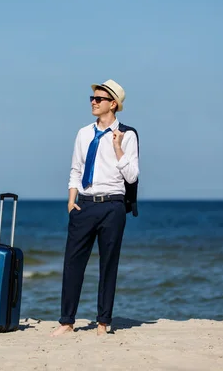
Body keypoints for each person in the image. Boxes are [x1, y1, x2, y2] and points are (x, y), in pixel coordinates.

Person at [51, 78, 139, 337]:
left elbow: (132, 176)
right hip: (85, 205)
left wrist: (117, 147)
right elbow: (76, 169)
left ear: (113, 104)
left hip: (113, 205)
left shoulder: (128, 135)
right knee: (72, 263)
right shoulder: (83, 133)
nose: (93, 102)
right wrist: (71, 200)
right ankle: (67, 321)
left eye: (99, 99)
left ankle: (103, 322)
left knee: (108, 265)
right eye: (92, 98)